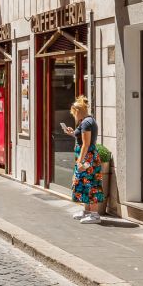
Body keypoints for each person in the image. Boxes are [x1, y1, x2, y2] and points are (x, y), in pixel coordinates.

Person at [61, 95, 103, 224]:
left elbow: (86, 144)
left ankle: (95, 214)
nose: (74, 116)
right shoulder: (86, 122)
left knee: (91, 183)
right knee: (84, 183)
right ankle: (87, 211)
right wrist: (72, 133)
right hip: (86, 156)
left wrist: (80, 161)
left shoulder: (86, 123)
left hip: (87, 157)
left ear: (78, 111)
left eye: (74, 113)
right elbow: (81, 139)